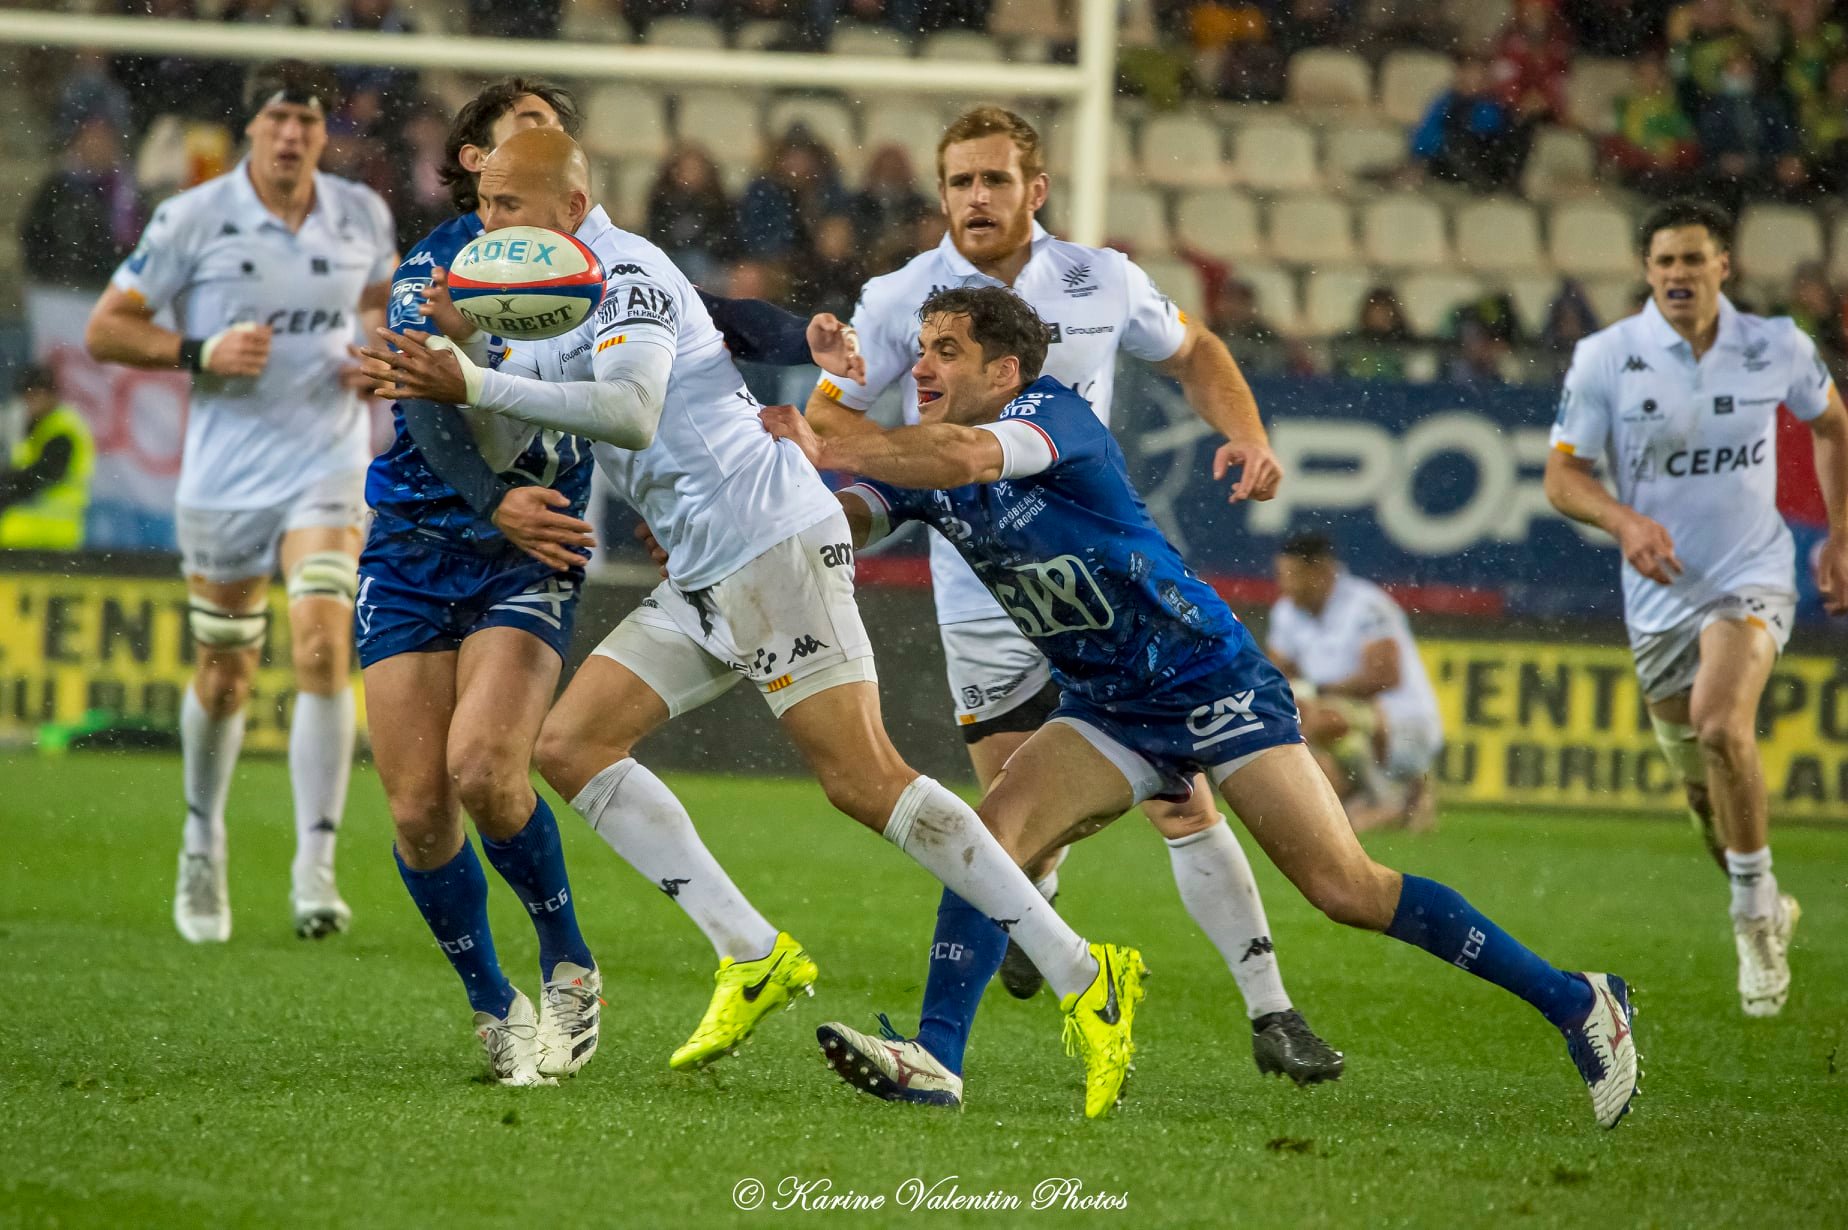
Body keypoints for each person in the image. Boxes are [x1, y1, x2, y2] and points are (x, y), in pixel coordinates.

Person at [360, 128, 1148, 1119]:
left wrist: (468, 376)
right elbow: (537, 417)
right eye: (481, 209)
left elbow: (635, 411)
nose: (488, 230)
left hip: (768, 539)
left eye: (508, 209)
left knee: (863, 780)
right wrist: (469, 349)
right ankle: (750, 950)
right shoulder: (546, 298)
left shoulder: (633, 272)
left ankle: (1083, 973)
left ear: (568, 208)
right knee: (570, 743)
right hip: (705, 564)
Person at [764, 285, 1639, 1130]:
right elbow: (849, 518)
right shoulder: (927, 455)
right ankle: (935, 1059)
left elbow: (957, 460)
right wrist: (765, 517)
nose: (921, 366)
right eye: (920, 350)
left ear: (1004, 371)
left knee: (1345, 889)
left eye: (945, 351)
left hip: (1207, 679)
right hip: (1110, 705)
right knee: (986, 847)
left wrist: (833, 441)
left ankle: (1577, 1000)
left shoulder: (1051, 417)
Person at [804, 105, 1340, 1087]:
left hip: (1095, 585)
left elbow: (1198, 354)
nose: (976, 197)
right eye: (960, 181)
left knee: (1183, 801)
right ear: (940, 192)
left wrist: (1252, 436)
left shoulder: (1102, 278)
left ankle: (1273, 1013)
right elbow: (828, 423)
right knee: (1008, 827)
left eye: (995, 180)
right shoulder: (898, 299)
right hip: (982, 595)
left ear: (1033, 190)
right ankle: (1034, 919)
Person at [354, 77, 870, 1086]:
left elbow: (696, 313)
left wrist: (794, 338)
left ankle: (567, 964)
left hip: (530, 542)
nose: (551, 155)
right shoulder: (437, 271)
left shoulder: (588, 261)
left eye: (554, 140)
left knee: (488, 770)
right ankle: (488, 1002)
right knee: (418, 809)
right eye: (526, 138)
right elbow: (425, 402)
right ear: (477, 163)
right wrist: (481, 492)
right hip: (416, 542)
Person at [84, 59, 396, 945]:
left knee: (324, 639)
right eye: (277, 120)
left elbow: (378, 310)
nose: (292, 134)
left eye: (307, 119)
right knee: (223, 672)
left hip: (326, 460)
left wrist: (369, 355)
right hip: (225, 475)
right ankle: (201, 837)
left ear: (323, 133)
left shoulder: (361, 214)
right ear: (251, 131)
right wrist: (200, 352)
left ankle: (315, 869)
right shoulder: (194, 216)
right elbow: (109, 326)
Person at [1544, 198, 1848, 1017]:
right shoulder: (1608, 357)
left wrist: (1839, 533)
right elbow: (1563, 476)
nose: (1679, 274)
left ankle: (1751, 920)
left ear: (1725, 267)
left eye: (1693, 259)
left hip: (1753, 572)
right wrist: (1625, 520)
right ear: (1647, 272)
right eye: (1665, 262)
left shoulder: (1775, 345)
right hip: (1657, 594)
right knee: (1703, 794)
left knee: (1722, 724)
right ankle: (1764, 891)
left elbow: (1833, 426)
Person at [1267, 534, 1443, 833]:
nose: (1284, 584)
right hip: (1351, 724)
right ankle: (1377, 802)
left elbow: (1385, 677)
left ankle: (1385, 798)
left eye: (1292, 575)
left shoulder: (1367, 605)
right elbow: (1275, 679)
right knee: (1286, 719)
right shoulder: (1286, 612)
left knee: (1320, 721)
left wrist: (1317, 694)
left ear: (1320, 572)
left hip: (1405, 725)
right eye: (1282, 575)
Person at [0, 364, 95, 550]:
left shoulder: (63, 430)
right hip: (22, 537)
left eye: (34, 396)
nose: (30, 403)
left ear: (49, 395)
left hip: (50, 538)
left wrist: (6, 488)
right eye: (26, 397)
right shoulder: (36, 427)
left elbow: (41, 476)